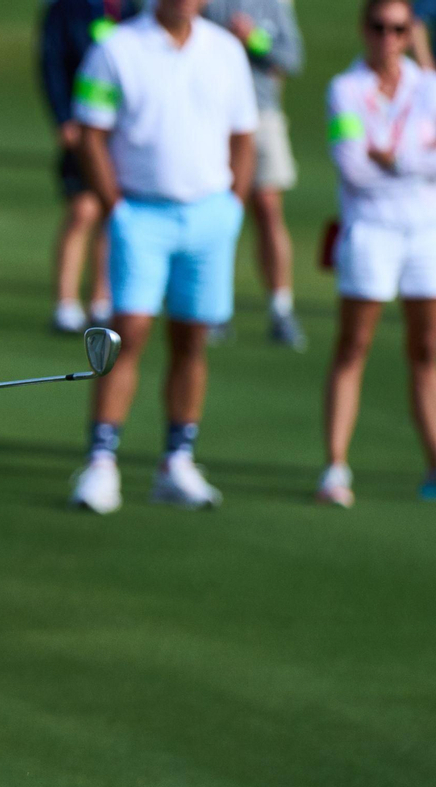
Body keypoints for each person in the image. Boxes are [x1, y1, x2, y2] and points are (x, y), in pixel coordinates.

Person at [68, 0, 258, 514]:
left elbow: (244, 135)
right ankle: (101, 462)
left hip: (209, 216)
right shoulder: (116, 47)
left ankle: (177, 460)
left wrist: (232, 206)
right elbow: (90, 132)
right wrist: (116, 209)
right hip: (141, 215)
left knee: (192, 338)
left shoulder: (226, 51)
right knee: (128, 333)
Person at [318, 0, 436, 505]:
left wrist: (394, 157)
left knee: (428, 350)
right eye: (378, 27)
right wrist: (415, 161)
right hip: (370, 230)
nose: (387, 38)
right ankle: (335, 467)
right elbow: (353, 167)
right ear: (364, 29)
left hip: (425, 232)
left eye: (398, 29)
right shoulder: (345, 89)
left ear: (411, 34)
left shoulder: (429, 87)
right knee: (353, 346)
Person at [204, 0, 307, 350]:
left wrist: (253, 39)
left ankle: (281, 307)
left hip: (261, 114)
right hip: (211, 117)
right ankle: (214, 309)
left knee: (267, 207)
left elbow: (292, 59)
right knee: (217, 210)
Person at [38, 0, 137, 333]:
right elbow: (51, 61)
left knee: (113, 212)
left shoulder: (134, 9)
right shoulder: (68, 7)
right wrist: (63, 116)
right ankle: (66, 304)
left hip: (121, 130)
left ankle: (101, 301)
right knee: (83, 210)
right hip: (84, 124)